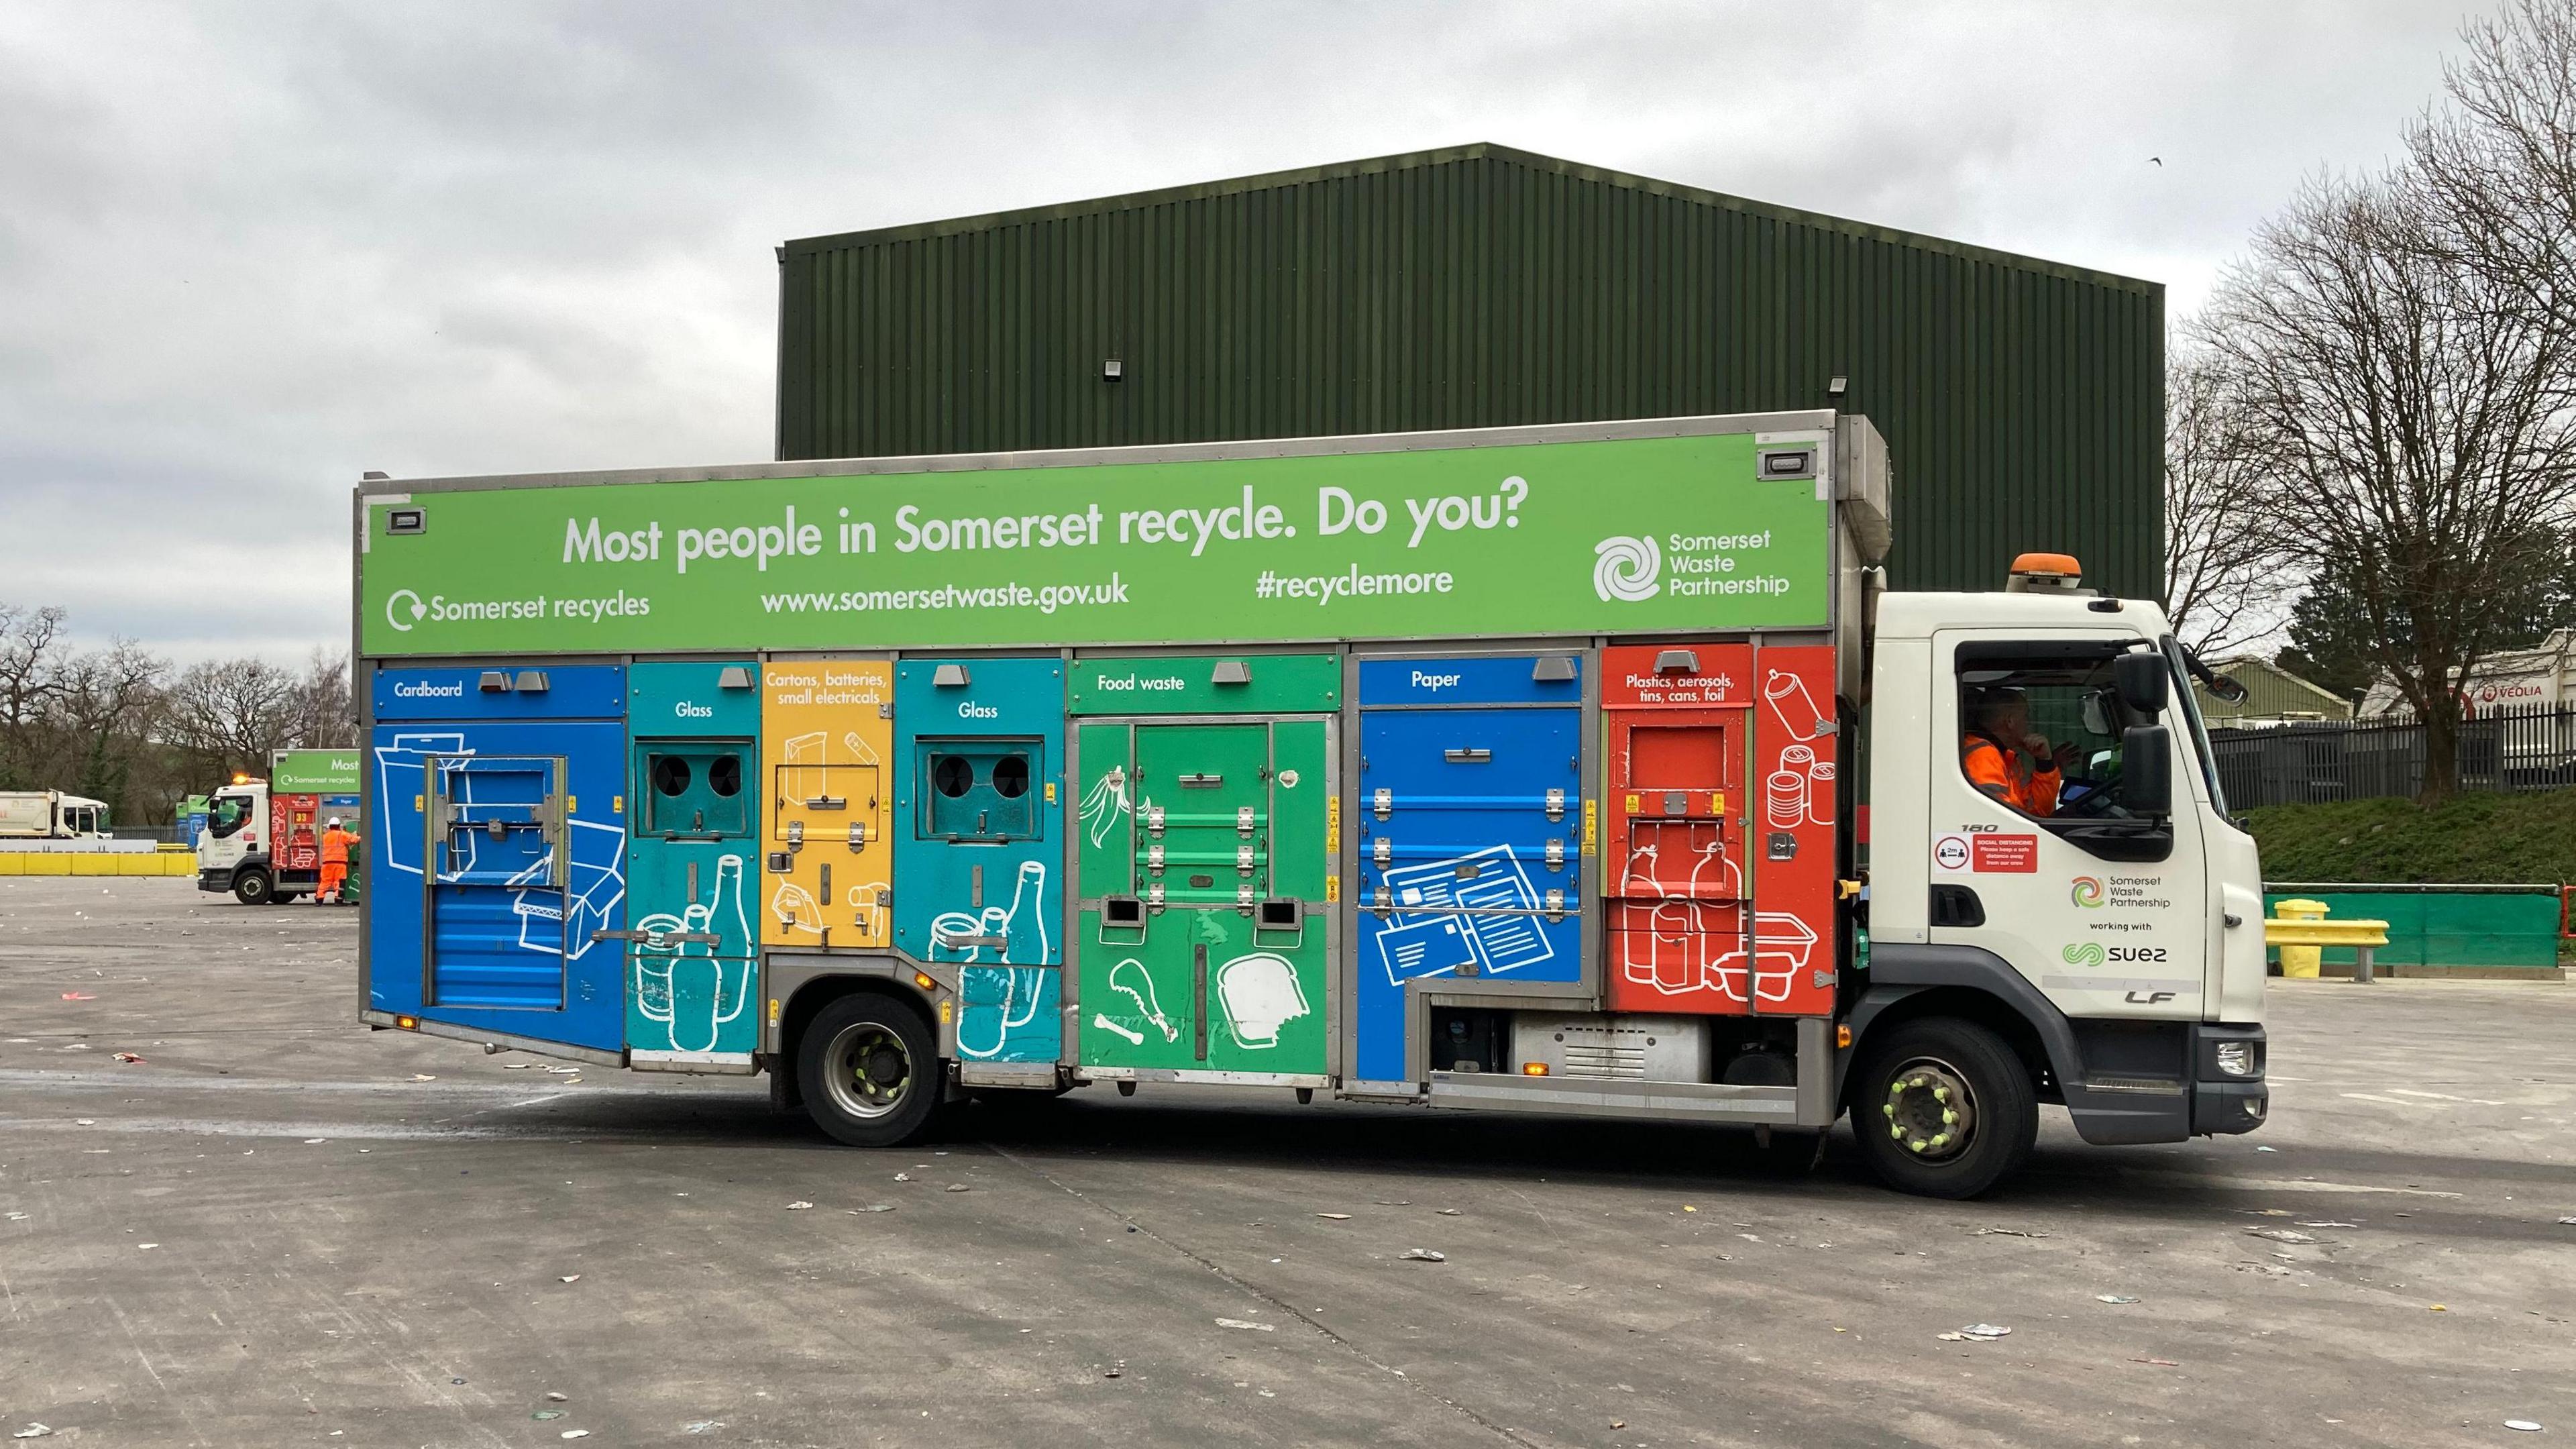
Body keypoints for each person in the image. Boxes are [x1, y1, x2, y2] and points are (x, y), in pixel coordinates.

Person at [1962, 686, 2077, 818]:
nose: (2029, 723)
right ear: (2010, 721)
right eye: (2026, 716)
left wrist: (2045, 763)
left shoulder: (2005, 757)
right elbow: (1997, 819)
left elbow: (2038, 811)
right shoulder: (1983, 756)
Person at [318, 817, 357, 906]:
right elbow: (354, 840)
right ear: (339, 826)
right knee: (339, 883)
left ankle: (319, 900)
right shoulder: (342, 835)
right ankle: (338, 901)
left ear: (330, 827)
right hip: (340, 863)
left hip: (327, 863)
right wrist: (360, 836)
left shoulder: (325, 836)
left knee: (324, 882)